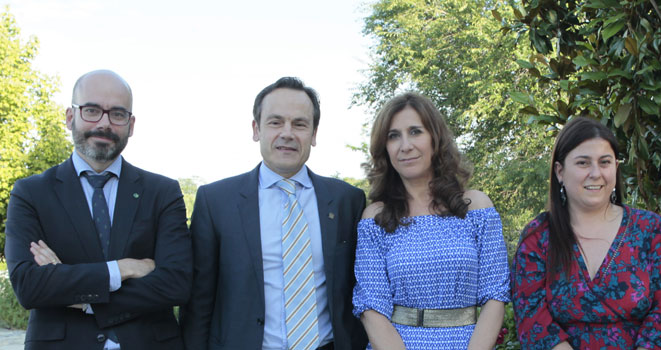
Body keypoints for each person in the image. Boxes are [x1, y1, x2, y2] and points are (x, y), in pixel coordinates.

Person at [4, 70, 192, 349]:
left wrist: (81, 296)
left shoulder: (162, 192)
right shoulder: (31, 193)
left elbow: (176, 283)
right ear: (70, 117)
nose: (104, 124)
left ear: (131, 124)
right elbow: (30, 286)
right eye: (92, 110)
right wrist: (124, 268)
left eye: (117, 114)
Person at [180, 77, 367, 350]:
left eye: (300, 124)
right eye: (275, 122)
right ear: (256, 129)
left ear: (314, 134)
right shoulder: (216, 201)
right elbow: (198, 299)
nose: (287, 133)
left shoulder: (347, 201)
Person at [352, 92, 509, 349]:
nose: (405, 145)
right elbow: (371, 307)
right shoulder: (375, 219)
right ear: (385, 148)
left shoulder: (477, 208)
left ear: (435, 140)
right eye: (393, 136)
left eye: (415, 132)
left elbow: (496, 295)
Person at [512, 117, 661, 349]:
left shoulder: (650, 230)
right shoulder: (538, 237)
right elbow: (533, 321)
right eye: (583, 163)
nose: (595, 173)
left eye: (604, 162)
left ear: (616, 168)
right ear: (560, 171)